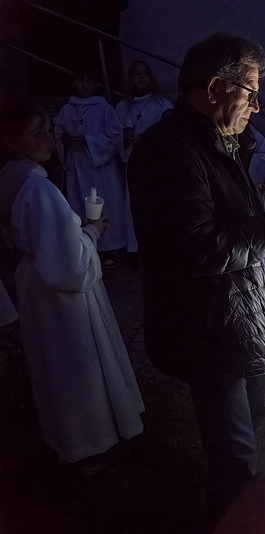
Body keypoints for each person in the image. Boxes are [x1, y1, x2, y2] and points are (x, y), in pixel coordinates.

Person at [127, 33, 265, 527]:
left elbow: (235, 226)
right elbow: (199, 247)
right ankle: (233, 520)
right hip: (206, 329)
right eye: (250, 92)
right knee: (234, 456)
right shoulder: (168, 150)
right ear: (216, 87)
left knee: (245, 428)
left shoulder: (217, 140)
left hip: (231, 316)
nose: (257, 106)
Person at [0, 101, 144, 475]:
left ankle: (68, 438)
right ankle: (91, 443)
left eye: (50, 131)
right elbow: (71, 267)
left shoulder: (12, 177)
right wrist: (91, 232)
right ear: (12, 141)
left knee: (54, 364)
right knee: (76, 365)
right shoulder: (37, 188)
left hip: (36, 283)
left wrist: (73, 228)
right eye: (37, 134)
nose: (49, 139)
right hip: (59, 298)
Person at [56, 67, 127, 265]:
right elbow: (56, 135)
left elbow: (115, 136)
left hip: (101, 167)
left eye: (88, 80)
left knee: (108, 202)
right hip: (77, 165)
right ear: (73, 83)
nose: (84, 85)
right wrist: (65, 141)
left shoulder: (103, 108)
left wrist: (87, 140)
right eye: (80, 80)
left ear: (95, 84)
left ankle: (112, 247)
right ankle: (87, 246)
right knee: (80, 202)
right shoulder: (67, 109)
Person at [116, 61, 173, 253]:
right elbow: (115, 134)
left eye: (144, 73)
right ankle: (137, 248)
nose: (141, 77)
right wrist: (126, 137)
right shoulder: (124, 106)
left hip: (156, 162)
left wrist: (147, 138)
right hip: (134, 162)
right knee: (136, 205)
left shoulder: (162, 103)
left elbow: (169, 131)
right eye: (136, 73)